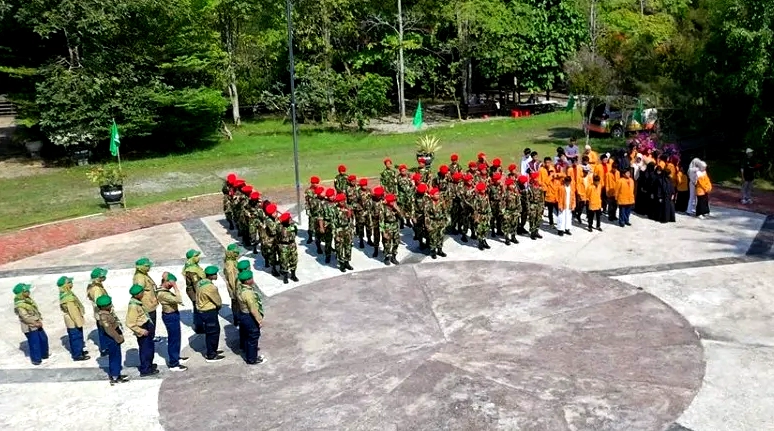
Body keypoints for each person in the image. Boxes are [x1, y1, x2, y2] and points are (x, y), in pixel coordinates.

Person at [157, 273, 188, 371]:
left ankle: (176, 357)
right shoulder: (163, 293)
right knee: (173, 340)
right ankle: (174, 364)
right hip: (170, 316)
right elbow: (178, 300)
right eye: (170, 284)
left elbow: (165, 273)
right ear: (165, 282)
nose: (171, 285)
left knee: (177, 338)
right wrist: (175, 287)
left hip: (173, 314)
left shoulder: (165, 290)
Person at [95, 295, 128, 385]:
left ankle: (117, 373)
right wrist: (118, 338)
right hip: (112, 339)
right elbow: (109, 330)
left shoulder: (106, 314)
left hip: (114, 338)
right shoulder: (104, 317)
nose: (111, 305)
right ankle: (115, 376)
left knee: (117, 356)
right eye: (109, 304)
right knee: (114, 356)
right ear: (105, 306)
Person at [13, 283, 49, 365]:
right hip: (30, 326)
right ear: (21, 293)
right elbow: (25, 317)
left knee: (43, 339)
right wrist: (36, 323)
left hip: (37, 323)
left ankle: (44, 354)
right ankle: (36, 359)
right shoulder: (20, 305)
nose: (28, 292)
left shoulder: (27, 300)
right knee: (34, 343)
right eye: (26, 291)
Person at [126, 284, 158, 377]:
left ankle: (149, 364)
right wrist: (141, 331)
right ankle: (145, 369)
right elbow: (130, 323)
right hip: (142, 328)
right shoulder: (133, 306)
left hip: (146, 325)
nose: (143, 293)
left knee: (149, 348)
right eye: (141, 292)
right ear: (137, 294)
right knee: (145, 350)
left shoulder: (137, 302)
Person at [236, 270, 265, 365]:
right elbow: (253, 309)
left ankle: (247, 351)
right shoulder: (248, 293)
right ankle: (252, 359)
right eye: (251, 278)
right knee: (253, 337)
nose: (253, 280)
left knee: (246, 335)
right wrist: (259, 320)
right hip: (249, 316)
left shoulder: (240, 288)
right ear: (247, 281)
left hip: (242, 314)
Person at [58, 276, 90, 361]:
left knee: (78, 336)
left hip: (73, 319)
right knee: (76, 337)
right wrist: (78, 322)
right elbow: (73, 312)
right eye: (69, 282)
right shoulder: (68, 298)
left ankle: (79, 351)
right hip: (73, 320)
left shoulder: (66, 293)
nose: (71, 284)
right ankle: (77, 355)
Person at [197, 266, 225, 362]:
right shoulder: (210, 287)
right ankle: (211, 354)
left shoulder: (200, 283)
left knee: (210, 332)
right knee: (213, 332)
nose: (216, 275)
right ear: (212, 275)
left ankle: (212, 350)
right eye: (215, 274)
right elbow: (217, 301)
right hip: (209, 311)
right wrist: (219, 306)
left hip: (202, 310)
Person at [133, 257, 160, 342]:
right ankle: (151, 337)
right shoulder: (140, 277)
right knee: (151, 322)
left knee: (152, 321)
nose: (149, 267)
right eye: (147, 266)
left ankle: (151, 335)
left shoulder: (143, 274)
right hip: (147, 304)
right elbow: (139, 292)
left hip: (150, 302)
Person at [86, 267, 110, 356]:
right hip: (102, 314)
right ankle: (105, 349)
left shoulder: (96, 286)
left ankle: (105, 347)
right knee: (104, 331)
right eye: (102, 276)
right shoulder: (96, 289)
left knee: (103, 331)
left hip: (100, 313)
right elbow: (99, 302)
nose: (104, 277)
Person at [182, 251, 206, 334]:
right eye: (196, 256)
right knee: (198, 309)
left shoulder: (192, 266)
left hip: (194, 291)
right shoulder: (192, 271)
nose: (198, 257)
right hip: (195, 293)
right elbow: (196, 284)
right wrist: (201, 294)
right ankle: (199, 327)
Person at [334, 193, 355, 272]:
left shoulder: (348, 207)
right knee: (339, 247)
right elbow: (333, 223)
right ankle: (341, 263)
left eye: (343, 200)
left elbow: (351, 218)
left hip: (347, 229)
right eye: (340, 201)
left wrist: (349, 212)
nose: (342, 202)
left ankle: (347, 262)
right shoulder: (335, 209)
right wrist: (335, 235)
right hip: (338, 230)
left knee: (348, 247)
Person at [424, 187, 448, 259]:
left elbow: (445, 211)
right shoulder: (428, 204)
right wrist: (428, 225)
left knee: (441, 236)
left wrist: (446, 221)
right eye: (436, 194)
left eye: (438, 194)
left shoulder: (441, 202)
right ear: (431, 195)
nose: (438, 195)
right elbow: (426, 215)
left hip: (441, 222)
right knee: (433, 237)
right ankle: (433, 251)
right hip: (432, 222)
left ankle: (440, 250)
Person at [380, 194, 403, 265]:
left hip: (395, 227)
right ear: (388, 202)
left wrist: (397, 209)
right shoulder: (383, 208)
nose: (393, 202)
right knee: (387, 244)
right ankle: (386, 257)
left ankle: (393, 256)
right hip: (387, 227)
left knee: (396, 242)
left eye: (394, 201)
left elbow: (401, 217)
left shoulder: (395, 208)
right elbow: (381, 221)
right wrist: (383, 231)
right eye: (392, 201)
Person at [277, 212, 300, 283]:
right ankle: (285, 276)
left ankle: (293, 275)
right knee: (284, 261)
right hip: (284, 246)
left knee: (294, 259)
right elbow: (277, 236)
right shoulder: (279, 227)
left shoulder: (293, 225)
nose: (291, 219)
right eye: (289, 218)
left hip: (292, 244)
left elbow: (296, 232)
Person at [223, 243, 240, 326]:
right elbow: (232, 279)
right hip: (234, 288)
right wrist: (235, 291)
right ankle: (237, 319)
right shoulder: (230, 264)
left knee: (236, 304)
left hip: (236, 286)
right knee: (236, 303)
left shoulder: (232, 260)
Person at [502, 177, 521, 245]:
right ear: (508, 185)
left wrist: (519, 210)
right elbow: (503, 203)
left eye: (513, 184)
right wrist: (503, 212)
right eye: (511, 184)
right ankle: (507, 238)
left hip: (514, 211)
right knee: (506, 225)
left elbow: (518, 202)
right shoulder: (505, 194)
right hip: (508, 211)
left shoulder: (516, 193)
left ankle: (513, 237)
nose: (512, 186)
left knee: (514, 224)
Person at [526, 173, 545, 240]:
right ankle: (532, 233)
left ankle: (536, 231)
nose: (537, 179)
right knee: (532, 219)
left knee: (538, 219)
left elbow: (542, 198)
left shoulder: (540, 188)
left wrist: (543, 206)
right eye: (536, 178)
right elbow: (527, 199)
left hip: (539, 205)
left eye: (537, 178)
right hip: (532, 205)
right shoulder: (530, 188)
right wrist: (528, 208)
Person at [304, 176, 320, 244]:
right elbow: (307, 201)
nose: (316, 184)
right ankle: (310, 237)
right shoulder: (308, 191)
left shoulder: (319, 189)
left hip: (319, 210)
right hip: (312, 211)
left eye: (317, 183)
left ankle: (318, 238)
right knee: (311, 225)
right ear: (312, 183)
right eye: (315, 183)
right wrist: (308, 210)